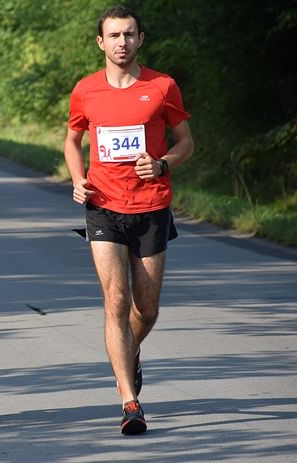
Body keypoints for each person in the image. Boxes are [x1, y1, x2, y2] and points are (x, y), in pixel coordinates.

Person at [64, 5, 194, 435]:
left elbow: (186, 143)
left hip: (151, 206)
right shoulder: (85, 90)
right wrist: (78, 178)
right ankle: (129, 401)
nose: (122, 42)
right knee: (116, 301)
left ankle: (128, 353)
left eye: (129, 34)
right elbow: (72, 139)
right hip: (102, 206)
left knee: (147, 307)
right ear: (101, 42)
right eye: (114, 35)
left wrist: (161, 164)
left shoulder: (162, 87)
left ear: (140, 39)